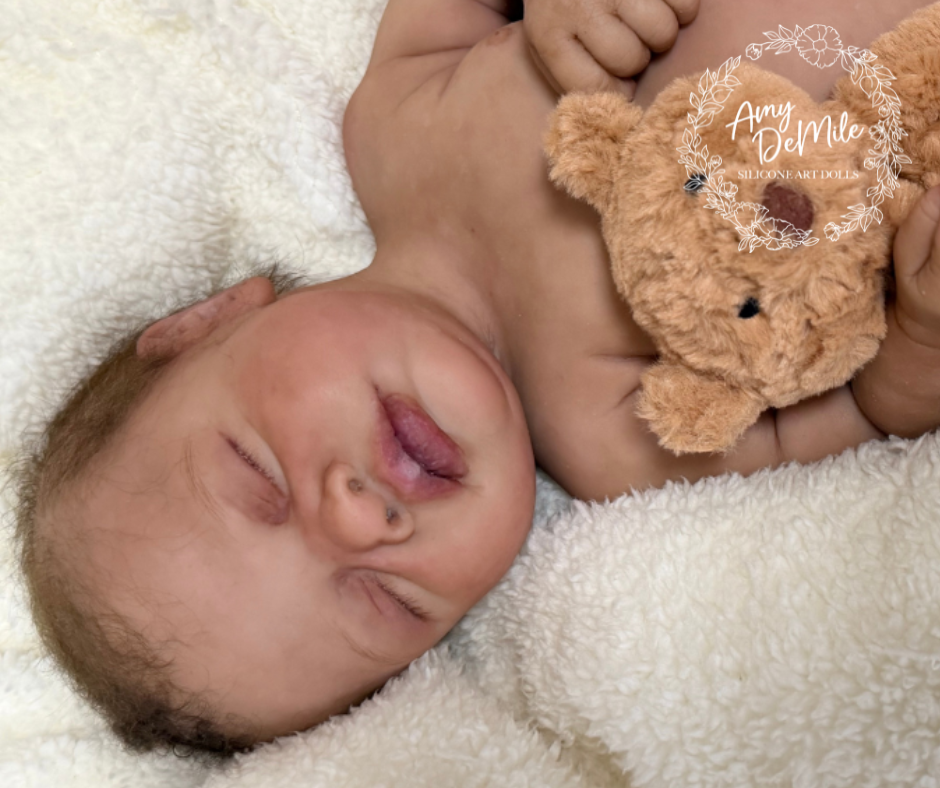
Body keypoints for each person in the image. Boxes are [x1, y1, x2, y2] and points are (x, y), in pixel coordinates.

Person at [11, 0, 940, 759]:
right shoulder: (622, 439)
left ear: (205, 322)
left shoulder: (392, 127)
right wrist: (921, 332)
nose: (361, 520)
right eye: (387, 599)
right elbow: (866, 410)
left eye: (260, 479)